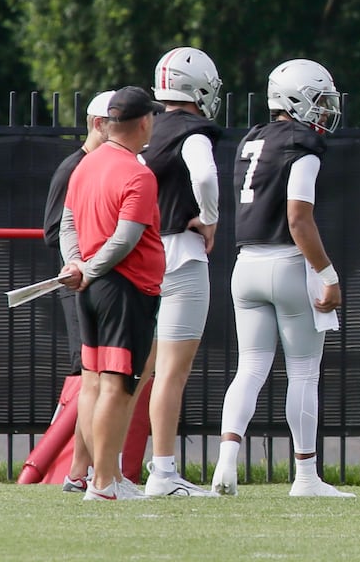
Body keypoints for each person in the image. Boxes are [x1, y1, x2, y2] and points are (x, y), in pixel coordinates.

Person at [211, 59, 352, 498]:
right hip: (288, 265)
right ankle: (306, 478)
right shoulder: (303, 145)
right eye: (320, 99)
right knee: (304, 373)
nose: (326, 110)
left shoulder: (252, 139)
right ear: (298, 98)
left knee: (250, 368)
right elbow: (298, 219)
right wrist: (326, 273)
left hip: (245, 266)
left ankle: (226, 464)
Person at [60, 86, 166, 502]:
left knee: (92, 384)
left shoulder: (86, 165)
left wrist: (76, 265)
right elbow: (125, 238)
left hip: (89, 286)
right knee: (117, 388)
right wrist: (88, 267)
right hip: (124, 289)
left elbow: (68, 224)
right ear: (142, 122)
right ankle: (105, 482)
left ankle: (101, 478)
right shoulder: (139, 173)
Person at [139, 47, 225, 497]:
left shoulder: (145, 129)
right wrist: (209, 217)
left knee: (134, 370)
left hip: (141, 255)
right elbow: (206, 177)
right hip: (182, 255)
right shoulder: (194, 132)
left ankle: (108, 469)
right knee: (171, 371)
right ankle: (164, 472)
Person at [44, 90, 112, 494]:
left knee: (102, 373)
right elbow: (55, 230)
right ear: (98, 124)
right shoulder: (75, 167)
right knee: (86, 372)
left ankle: (85, 468)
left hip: (103, 281)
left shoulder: (106, 165)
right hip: (81, 282)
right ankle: (74, 466)